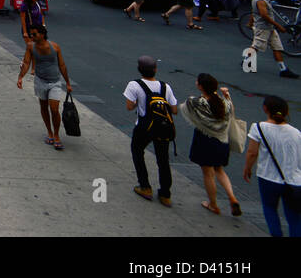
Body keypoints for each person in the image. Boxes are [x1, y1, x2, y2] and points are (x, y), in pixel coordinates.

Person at [182, 73, 242, 216]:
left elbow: (185, 108)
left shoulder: (196, 102)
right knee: (219, 170)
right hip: (222, 141)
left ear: (201, 86)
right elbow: (231, 110)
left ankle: (213, 204)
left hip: (205, 141)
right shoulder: (224, 103)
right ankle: (232, 197)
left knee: (208, 174)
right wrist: (226, 96)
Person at [125, 55, 179, 206]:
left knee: (137, 152)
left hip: (144, 127)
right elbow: (174, 110)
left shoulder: (134, 85)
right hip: (162, 127)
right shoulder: (165, 87)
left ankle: (145, 187)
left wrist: (139, 103)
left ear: (139, 69)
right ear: (155, 69)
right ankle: (165, 194)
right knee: (163, 160)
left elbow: (129, 106)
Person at [244, 95, 301, 237]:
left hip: (268, 178)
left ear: (265, 109)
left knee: (270, 210)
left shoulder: (259, 128)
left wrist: (247, 168)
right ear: (286, 112)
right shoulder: (296, 133)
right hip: (294, 181)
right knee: (294, 217)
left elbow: (252, 153)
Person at [17, 24, 72, 150]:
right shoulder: (31, 47)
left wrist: (68, 83)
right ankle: (50, 132)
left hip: (55, 82)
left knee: (54, 108)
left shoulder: (55, 47)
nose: (32, 36)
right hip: (40, 81)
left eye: (34, 34)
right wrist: (20, 77)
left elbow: (62, 65)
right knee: (43, 107)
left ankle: (57, 135)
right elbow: (26, 62)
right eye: (31, 34)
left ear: (42, 34)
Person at [249, 0, 301, 78]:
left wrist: (250, 22)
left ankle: (283, 69)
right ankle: (247, 61)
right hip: (263, 28)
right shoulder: (260, 0)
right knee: (256, 46)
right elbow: (264, 15)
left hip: (269, 28)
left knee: (277, 47)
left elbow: (253, 12)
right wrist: (278, 25)